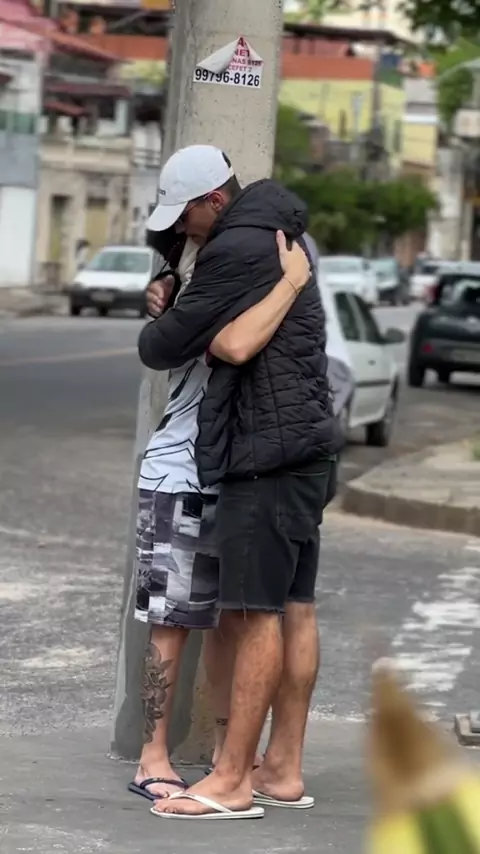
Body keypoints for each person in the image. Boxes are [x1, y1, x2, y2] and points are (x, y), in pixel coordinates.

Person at [138, 144, 342, 820]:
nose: (182, 229)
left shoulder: (237, 247)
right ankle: (281, 768)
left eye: (186, 216)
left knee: (253, 615)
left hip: (264, 449)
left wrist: (176, 312)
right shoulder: (285, 234)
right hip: (306, 445)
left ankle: (230, 781)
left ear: (214, 200)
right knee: (295, 606)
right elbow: (222, 330)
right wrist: (178, 288)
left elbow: (177, 346)